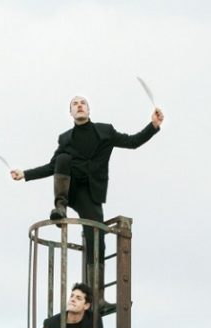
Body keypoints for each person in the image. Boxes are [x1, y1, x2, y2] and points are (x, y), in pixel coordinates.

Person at [12, 96, 164, 307]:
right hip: (70, 189)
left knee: (97, 237)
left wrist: (153, 125)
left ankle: (97, 298)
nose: (79, 105)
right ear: (71, 113)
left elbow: (132, 142)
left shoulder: (105, 131)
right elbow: (52, 166)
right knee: (63, 159)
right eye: (75, 104)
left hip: (90, 193)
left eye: (82, 102)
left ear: (89, 110)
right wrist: (25, 174)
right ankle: (60, 207)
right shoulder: (65, 139)